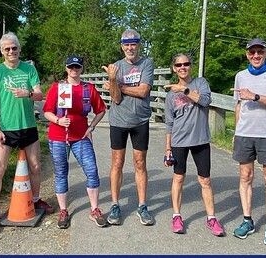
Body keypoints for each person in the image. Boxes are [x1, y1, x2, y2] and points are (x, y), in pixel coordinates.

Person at [0, 32, 53, 235]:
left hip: (28, 125)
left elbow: (40, 95)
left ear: (19, 49)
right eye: (7, 49)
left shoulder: (29, 69)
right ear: (1, 51)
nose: (11, 51)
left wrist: (28, 94)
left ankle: (35, 199)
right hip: (6, 128)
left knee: (35, 165)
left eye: (14, 48)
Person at [231, 38, 266, 248]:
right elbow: (238, 105)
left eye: (260, 52)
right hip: (245, 134)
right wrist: (236, 131)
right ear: (247, 54)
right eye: (252, 52)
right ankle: (247, 220)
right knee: (245, 176)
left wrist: (254, 96)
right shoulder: (240, 76)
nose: (256, 55)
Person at [43, 55, 107, 228]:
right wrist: (58, 120)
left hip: (80, 136)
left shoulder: (88, 89)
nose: (74, 70)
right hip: (58, 137)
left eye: (77, 67)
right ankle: (63, 211)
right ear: (66, 68)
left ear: (81, 69)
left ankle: (94, 209)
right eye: (71, 67)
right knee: (61, 172)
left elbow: (101, 110)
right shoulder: (58, 88)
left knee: (92, 170)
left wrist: (91, 127)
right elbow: (47, 111)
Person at [163, 53, 224, 237]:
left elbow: (205, 101)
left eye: (186, 64)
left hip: (200, 140)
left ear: (190, 66)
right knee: (178, 178)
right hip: (179, 141)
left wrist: (185, 90)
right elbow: (169, 123)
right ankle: (176, 216)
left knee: (205, 180)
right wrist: (168, 148)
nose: (183, 67)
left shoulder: (200, 83)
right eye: (179, 64)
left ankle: (211, 218)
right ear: (174, 68)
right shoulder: (170, 95)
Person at [101, 29, 155, 225]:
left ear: (139, 45)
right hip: (118, 121)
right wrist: (113, 79)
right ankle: (115, 204)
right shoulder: (115, 67)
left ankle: (142, 205)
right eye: (126, 44)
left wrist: (118, 85)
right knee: (117, 162)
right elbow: (115, 99)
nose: (130, 47)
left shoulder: (147, 63)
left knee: (140, 162)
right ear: (121, 46)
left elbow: (143, 91)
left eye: (133, 44)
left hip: (140, 120)